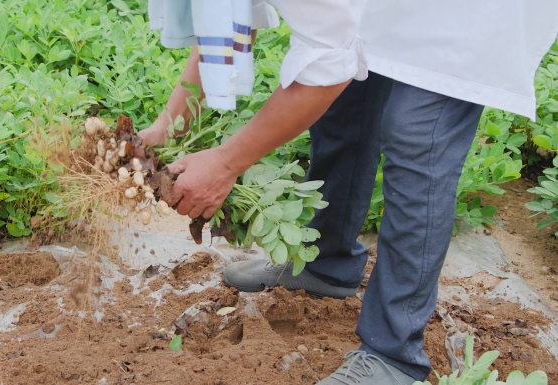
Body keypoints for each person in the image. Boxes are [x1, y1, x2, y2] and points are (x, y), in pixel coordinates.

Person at [140, 1, 558, 384]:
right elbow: (228, 21)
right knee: (348, 106)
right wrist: (166, 125)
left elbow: (326, 65)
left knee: (417, 134)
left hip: (465, 14)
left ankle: (394, 356)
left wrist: (227, 164)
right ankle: (327, 264)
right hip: (380, 9)